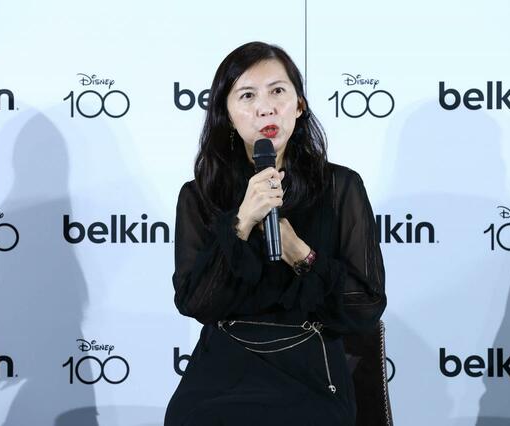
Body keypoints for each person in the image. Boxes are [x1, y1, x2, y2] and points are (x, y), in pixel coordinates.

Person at [164, 41, 386, 426]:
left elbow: (366, 308)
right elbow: (196, 303)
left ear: (299, 105)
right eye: (247, 95)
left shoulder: (340, 187)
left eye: (277, 91)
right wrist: (241, 223)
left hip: (311, 374)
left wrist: (301, 254)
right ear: (226, 115)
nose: (265, 108)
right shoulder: (199, 195)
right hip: (222, 376)